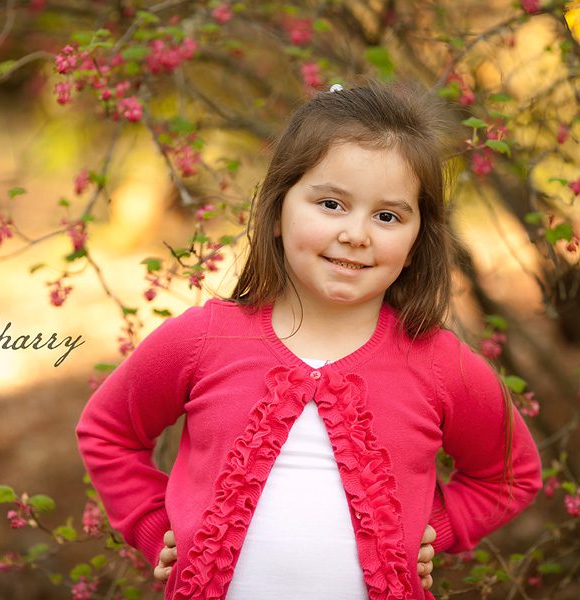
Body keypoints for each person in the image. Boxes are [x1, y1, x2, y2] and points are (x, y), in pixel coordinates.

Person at [76, 81, 542, 600]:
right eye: (331, 204)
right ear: (278, 211)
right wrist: (152, 524)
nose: (357, 234)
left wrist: (433, 527)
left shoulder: (438, 362)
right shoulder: (204, 339)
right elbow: (108, 432)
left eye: (387, 216)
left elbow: (510, 473)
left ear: (416, 243)